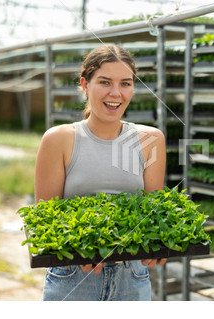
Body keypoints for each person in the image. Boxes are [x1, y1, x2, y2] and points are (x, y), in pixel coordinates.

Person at [35, 45, 167, 301]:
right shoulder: (59, 139)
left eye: (125, 83)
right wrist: (77, 248)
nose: (116, 93)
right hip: (72, 277)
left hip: (133, 278)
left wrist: (160, 243)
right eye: (105, 82)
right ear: (85, 85)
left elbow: (155, 213)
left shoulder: (150, 140)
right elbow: (43, 219)